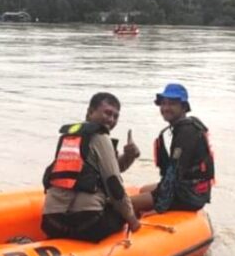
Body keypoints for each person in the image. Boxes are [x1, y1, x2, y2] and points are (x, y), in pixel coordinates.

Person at [41, 92, 141, 242]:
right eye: (107, 113)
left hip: (51, 223)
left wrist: (129, 156)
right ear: (90, 112)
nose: (111, 119)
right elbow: (114, 184)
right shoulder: (101, 137)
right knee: (122, 212)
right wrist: (133, 221)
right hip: (87, 224)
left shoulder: (67, 137)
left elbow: (94, 171)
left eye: (115, 116)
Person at [131, 83, 214, 214]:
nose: (165, 108)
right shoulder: (184, 127)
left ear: (184, 107)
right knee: (143, 190)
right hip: (192, 189)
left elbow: (173, 175)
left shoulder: (186, 132)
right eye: (163, 103)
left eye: (172, 104)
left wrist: (158, 208)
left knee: (127, 204)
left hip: (190, 195)